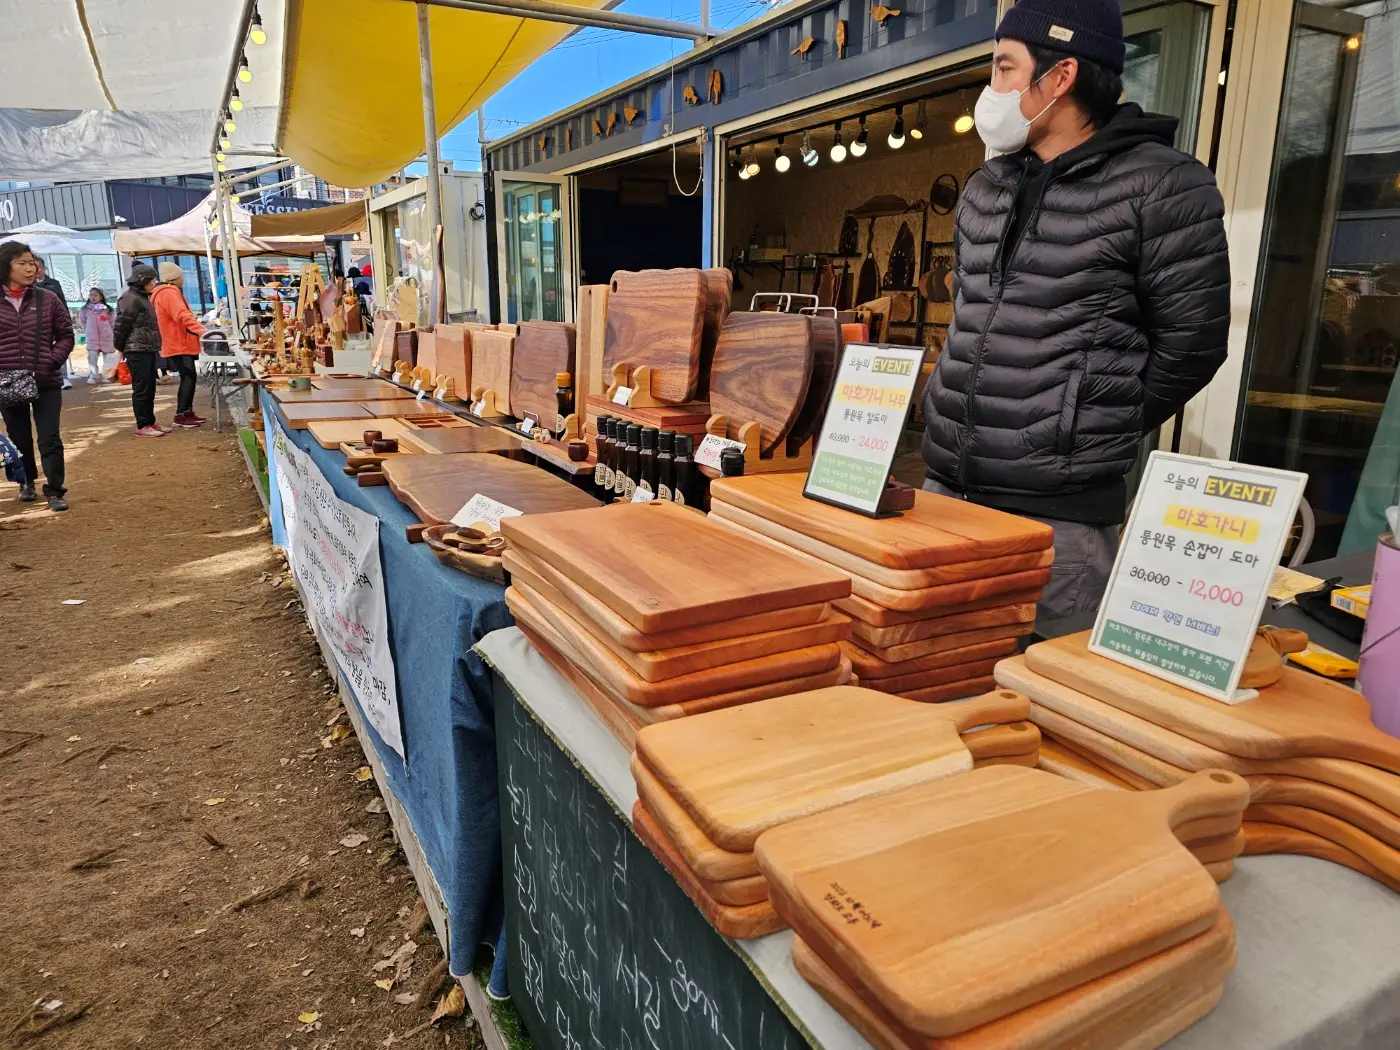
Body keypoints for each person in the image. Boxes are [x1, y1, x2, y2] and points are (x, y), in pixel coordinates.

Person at [920, 0, 1230, 623]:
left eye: (1005, 69)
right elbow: (971, 317)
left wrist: (1085, 421)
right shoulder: (988, 185)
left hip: (1059, 517)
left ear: (1059, 78)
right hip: (944, 493)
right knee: (931, 687)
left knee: (1042, 700)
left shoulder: (1164, 185)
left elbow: (1193, 344)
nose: (993, 88)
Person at [0, 242, 76, 511]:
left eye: (32, 263)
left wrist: (52, 361)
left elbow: (66, 335)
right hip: (8, 384)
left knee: (50, 438)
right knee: (19, 437)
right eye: (22, 263)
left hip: (45, 380)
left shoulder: (48, 299)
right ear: (6, 265)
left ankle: (55, 490)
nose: (30, 268)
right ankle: (27, 482)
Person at [151, 261, 207, 428]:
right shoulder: (169, 293)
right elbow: (182, 315)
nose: (183, 279)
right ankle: (181, 414)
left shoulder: (165, 292)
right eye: (181, 275)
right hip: (178, 342)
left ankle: (187, 411)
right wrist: (202, 331)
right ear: (175, 277)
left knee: (189, 376)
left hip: (177, 341)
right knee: (188, 376)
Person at [113, 264, 166, 438]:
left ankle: (150, 421)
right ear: (143, 280)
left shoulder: (142, 297)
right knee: (142, 387)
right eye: (152, 280)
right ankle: (143, 424)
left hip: (146, 347)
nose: (155, 283)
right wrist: (120, 347)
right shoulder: (130, 298)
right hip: (136, 349)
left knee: (149, 386)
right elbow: (121, 326)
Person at [34, 257, 72, 390]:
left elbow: (62, 303)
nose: (36, 270)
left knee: (59, 347)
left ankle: (64, 376)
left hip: (54, 321)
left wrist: (66, 319)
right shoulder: (29, 285)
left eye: (39, 267)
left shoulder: (54, 284)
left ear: (44, 268)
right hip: (36, 323)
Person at [77, 287, 115, 383]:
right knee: (92, 356)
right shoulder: (85, 309)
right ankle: (93, 375)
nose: (92, 297)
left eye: (95, 295)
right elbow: (82, 321)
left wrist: (110, 330)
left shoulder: (108, 309)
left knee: (109, 357)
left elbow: (113, 322)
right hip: (92, 337)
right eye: (91, 295)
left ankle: (107, 375)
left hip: (106, 337)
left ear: (101, 297)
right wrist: (88, 330)